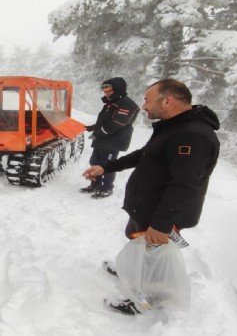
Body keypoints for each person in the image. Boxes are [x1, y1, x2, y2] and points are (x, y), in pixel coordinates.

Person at [83, 78, 220, 315]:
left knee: (153, 255)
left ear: (167, 101)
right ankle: (131, 271)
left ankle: (143, 299)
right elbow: (145, 154)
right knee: (139, 244)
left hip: (162, 213)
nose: (144, 106)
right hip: (149, 206)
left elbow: (185, 185)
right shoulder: (174, 125)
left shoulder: (191, 135)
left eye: (147, 100)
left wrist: (161, 224)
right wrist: (107, 167)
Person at [80, 77, 139, 199]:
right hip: (103, 139)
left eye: (108, 90)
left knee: (107, 165)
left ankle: (107, 188)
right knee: (95, 162)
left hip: (113, 141)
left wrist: (97, 133)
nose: (106, 93)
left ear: (117, 88)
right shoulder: (111, 103)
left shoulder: (127, 104)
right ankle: (95, 184)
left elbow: (117, 124)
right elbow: (105, 121)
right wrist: (92, 128)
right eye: (104, 91)